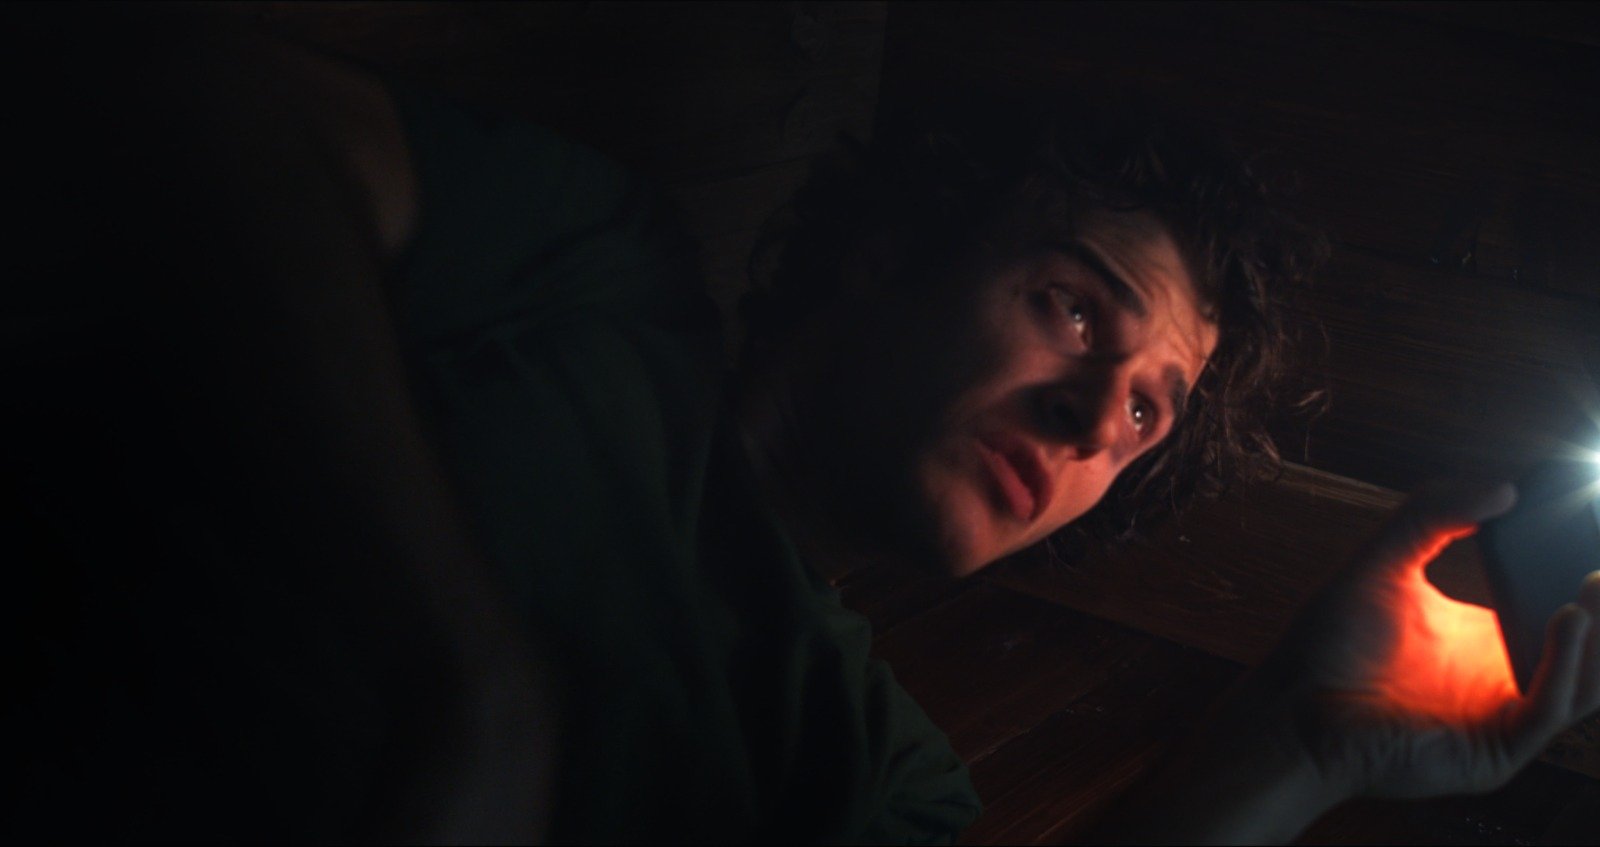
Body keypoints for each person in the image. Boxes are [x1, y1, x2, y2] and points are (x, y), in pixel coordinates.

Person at [7, 9, 1597, 844]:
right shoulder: (600, 283)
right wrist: (468, 684)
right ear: (896, 249)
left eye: (1143, 417)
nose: (1090, 417)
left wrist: (1299, 748)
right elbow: (183, 89)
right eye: (1072, 306)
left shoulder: (874, 770)